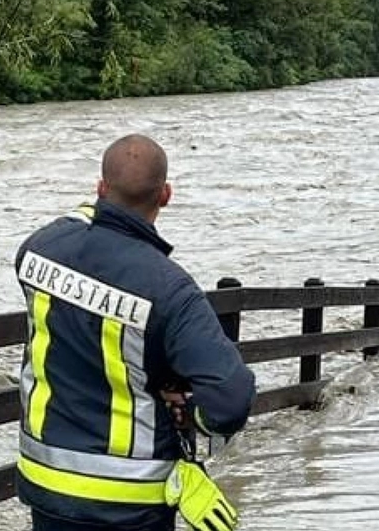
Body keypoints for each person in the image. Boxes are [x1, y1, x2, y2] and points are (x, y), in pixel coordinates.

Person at [13, 134, 256, 531]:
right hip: (129, 500)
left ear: (100, 188)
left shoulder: (39, 250)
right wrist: (191, 413)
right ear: (166, 195)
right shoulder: (170, 290)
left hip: (46, 482)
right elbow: (231, 399)